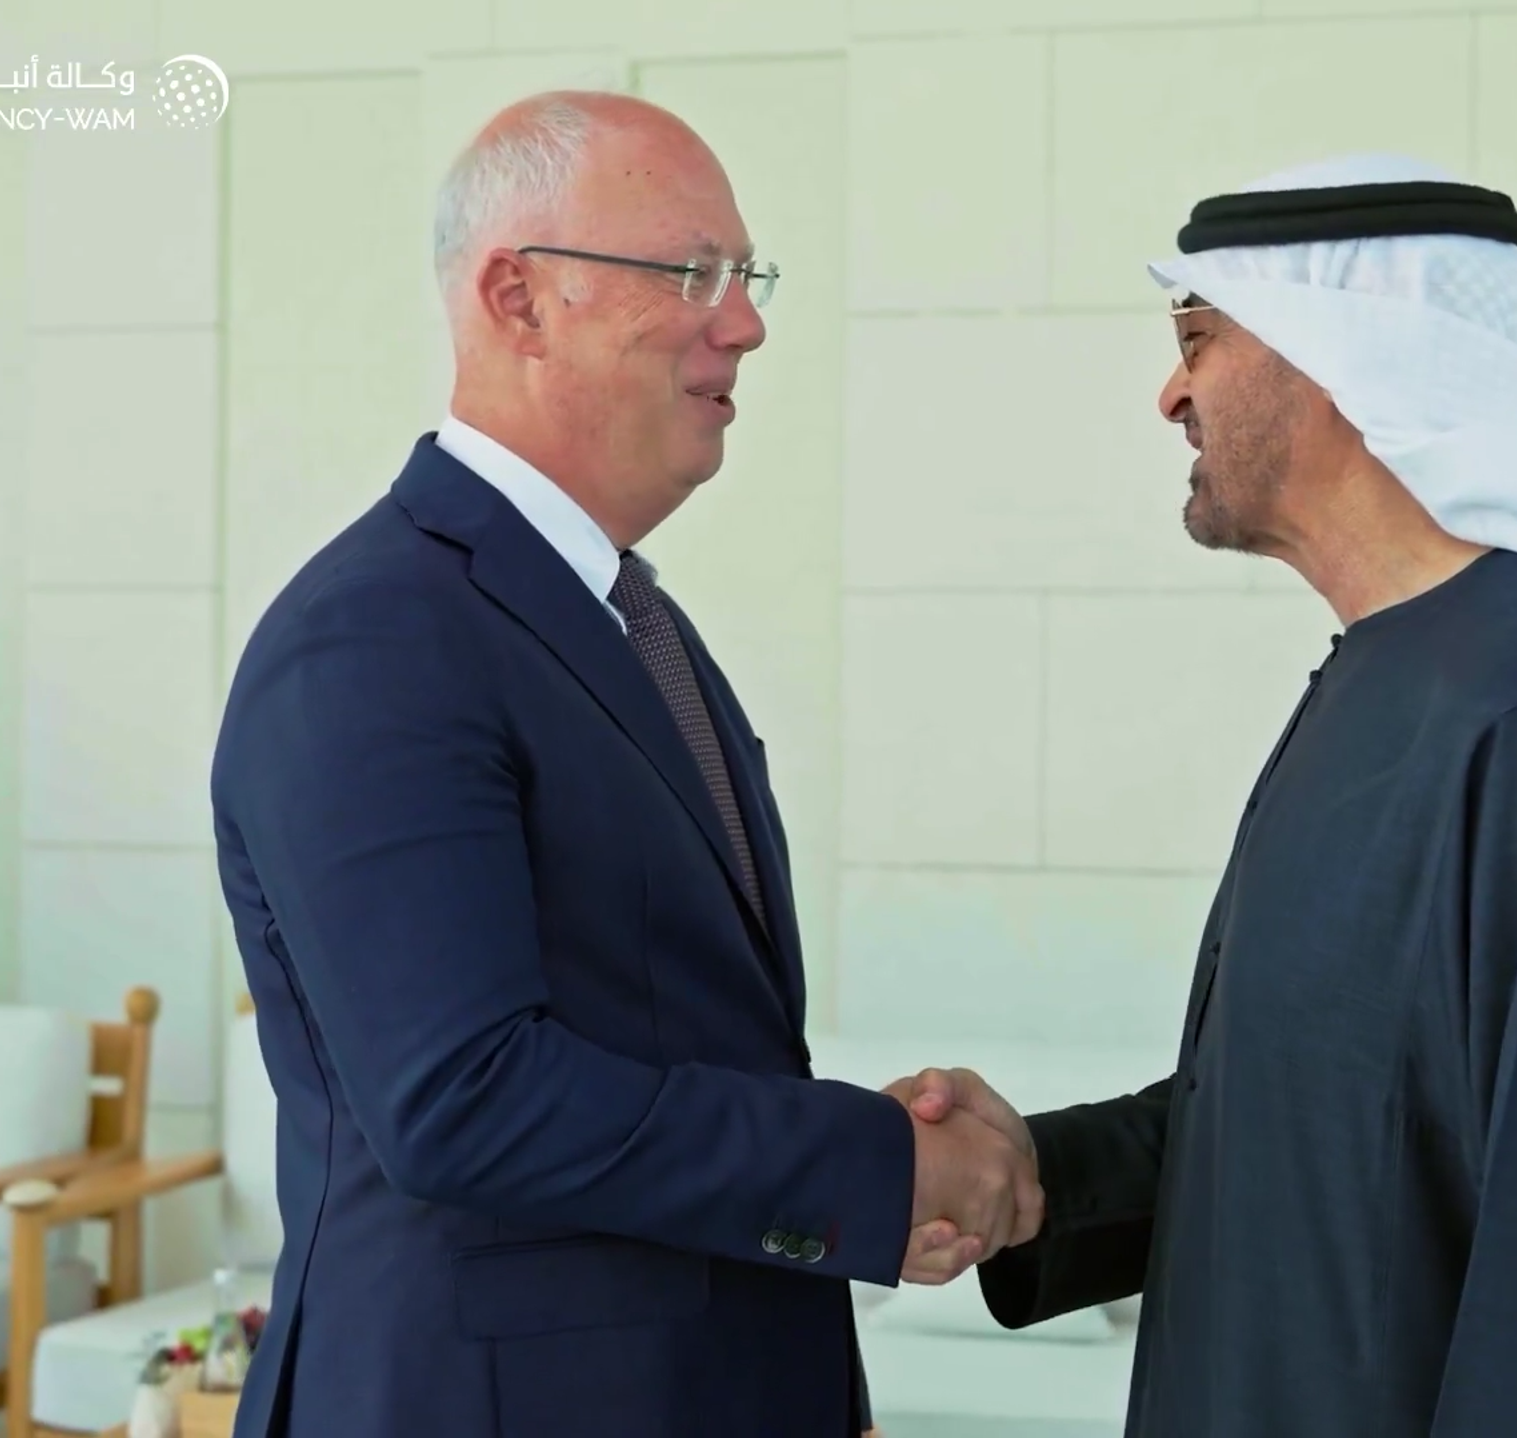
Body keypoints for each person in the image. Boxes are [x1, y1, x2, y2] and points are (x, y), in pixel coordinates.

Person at [897, 154, 1517, 1438]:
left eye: (1198, 340)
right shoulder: (1395, 672)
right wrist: (1036, 1177)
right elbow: (1323, 1121)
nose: (1172, 394)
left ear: (1341, 356)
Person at [210, 90, 1038, 1438]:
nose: (746, 323)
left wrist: (851, 1202)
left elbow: (675, 1035)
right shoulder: (376, 636)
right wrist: (867, 1164)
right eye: (693, 273)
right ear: (519, 299)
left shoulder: (623, 621)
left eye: (750, 277)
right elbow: (463, 1098)